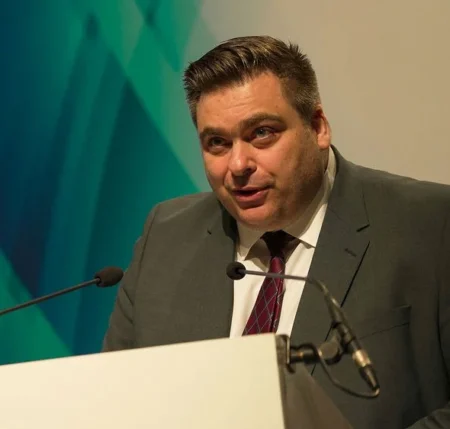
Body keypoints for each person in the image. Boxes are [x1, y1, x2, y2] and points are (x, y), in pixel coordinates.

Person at [102, 36, 450, 428]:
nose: (238, 164)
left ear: (318, 127)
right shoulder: (166, 235)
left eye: (262, 133)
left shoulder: (432, 225)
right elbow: (115, 399)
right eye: (217, 143)